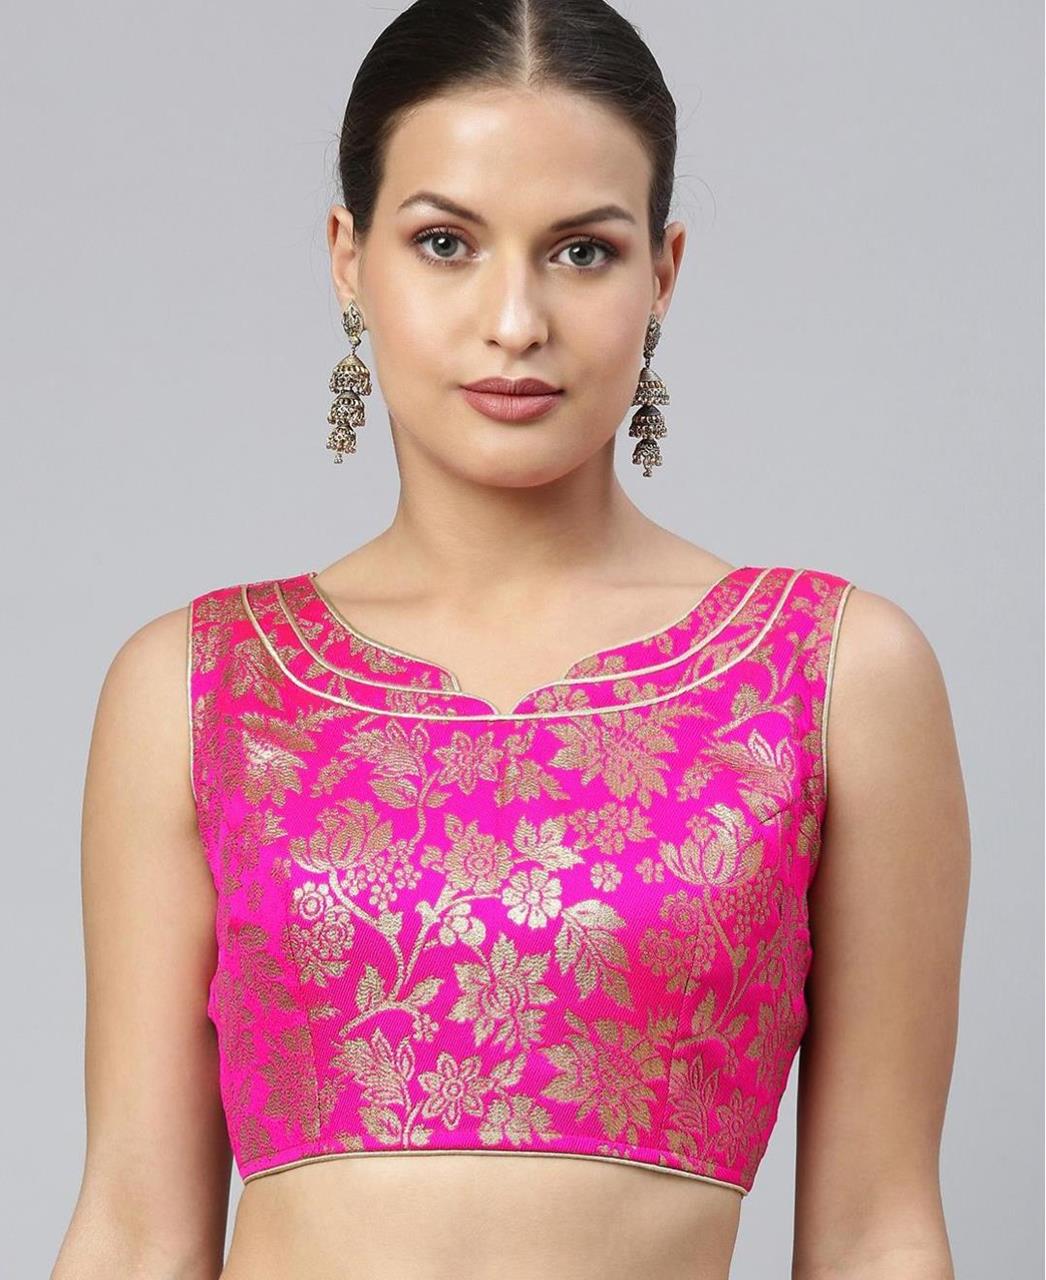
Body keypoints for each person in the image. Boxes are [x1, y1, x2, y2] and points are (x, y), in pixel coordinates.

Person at [51, 2, 969, 1277]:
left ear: (663, 272)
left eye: (582, 252)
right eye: (445, 243)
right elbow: (134, 1227)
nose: (515, 319)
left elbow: (877, 1230)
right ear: (347, 257)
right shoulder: (199, 685)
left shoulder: (829, 675)